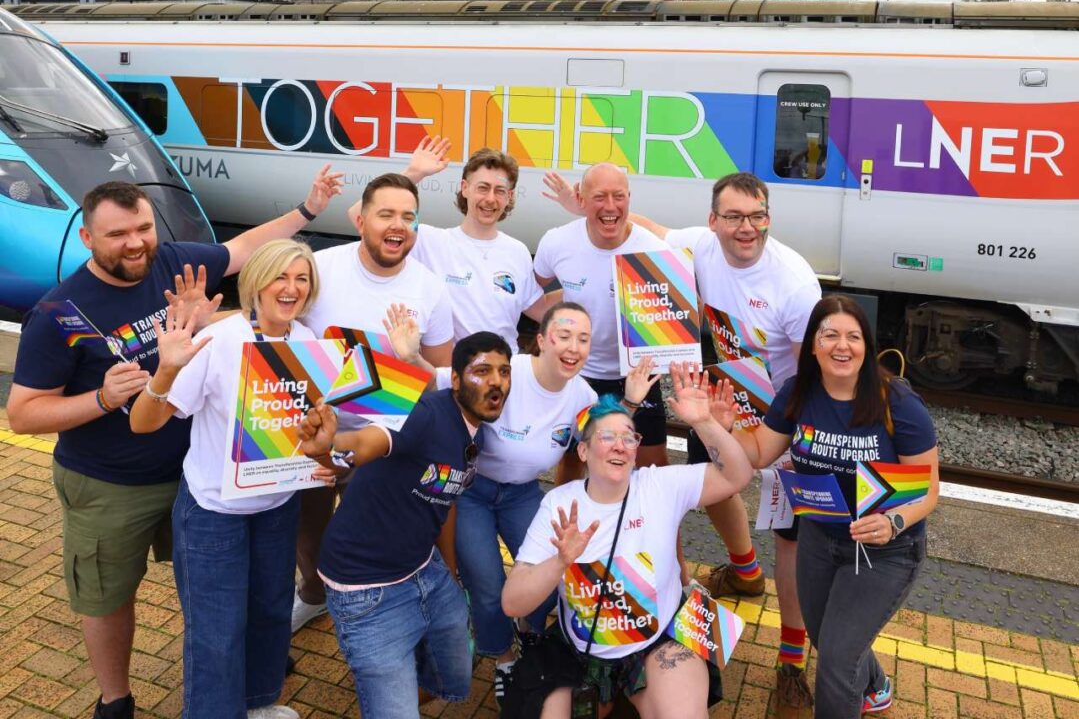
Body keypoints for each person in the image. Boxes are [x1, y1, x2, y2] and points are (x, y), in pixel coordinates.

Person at [5, 169, 342, 719]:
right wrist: (104, 398)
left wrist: (307, 209)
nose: (135, 242)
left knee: (240, 601)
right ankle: (116, 700)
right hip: (114, 482)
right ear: (88, 238)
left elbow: (243, 249)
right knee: (111, 595)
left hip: (194, 468)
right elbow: (21, 416)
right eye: (117, 235)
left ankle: (250, 689)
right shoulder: (57, 314)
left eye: (142, 227)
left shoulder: (170, 263)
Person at [630, 172, 822, 706]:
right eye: (734, 217)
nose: (747, 228)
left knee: (791, 535)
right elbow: (652, 230)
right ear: (713, 221)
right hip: (723, 403)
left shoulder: (795, 284)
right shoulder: (697, 246)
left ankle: (791, 658)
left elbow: (817, 373)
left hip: (788, 412)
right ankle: (744, 571)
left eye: (757, 216)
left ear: (768, 218)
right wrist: (602, 211)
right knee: (714, 487)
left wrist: (786, 437)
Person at [713, 295, 938, 718]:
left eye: (853, 336)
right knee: (825, 637)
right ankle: (874, 685)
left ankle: (856, 690)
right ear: (812, 345)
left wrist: (892, 522)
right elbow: (759, 451)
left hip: (885, 550)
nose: (841, 345)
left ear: (866, 347)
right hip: (819, 536)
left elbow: (929, 490)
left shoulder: (899, 403)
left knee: (834, 661)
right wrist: (719, 426)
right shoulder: (799, 393)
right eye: (829, 334)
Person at [128, 239, 320, 718]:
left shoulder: (312, 344)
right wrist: (165, 371)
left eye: (301, 278)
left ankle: (256, 704)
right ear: (256, 280)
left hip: (277, 508)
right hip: (214, 511)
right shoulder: (220, 339)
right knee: (217, 631)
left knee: (271, 614)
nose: (291, 288)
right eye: (281, 276)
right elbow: (144, 423)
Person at [431, 302, 658, 698]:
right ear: (540, 340)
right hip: (472, 491)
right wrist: (403, 356)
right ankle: (503, 659)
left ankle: (530, 634)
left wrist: (632, 401)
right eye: (564, 335)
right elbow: (440, 380)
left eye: (583, 339)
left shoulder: (581, 393)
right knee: (486, 584)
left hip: (521, 494)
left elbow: (606, 432)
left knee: (549, 575)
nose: (573, 347)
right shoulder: (509, 372)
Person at [502, 365, 752, 719]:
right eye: (606, 437)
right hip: (583, 651)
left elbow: (738, 475)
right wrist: (559, 561)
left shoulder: (660, 486)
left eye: (629, 437)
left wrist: (705, 422)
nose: (620, 445)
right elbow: (512, 603)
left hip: (657, 643)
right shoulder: (559, 504)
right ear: (584, 452)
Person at [296, 332, 512, 719]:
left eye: (503, 371)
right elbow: (366, 443)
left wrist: (448, 572)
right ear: (457, 380)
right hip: (366, 588)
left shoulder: (473, 432)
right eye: (482, 370)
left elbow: (444, 503)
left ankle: (398, 682)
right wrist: (331, 447)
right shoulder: (427, 414)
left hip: (424, 569)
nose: (496, 381)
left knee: (456, 670)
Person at [292, 172, 456, 632]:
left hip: (387, 444)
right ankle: (313, 593)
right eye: (386, 214)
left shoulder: (429, 287)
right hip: (316, 433)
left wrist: (410, 356)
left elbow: (439, 379)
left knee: (378, 536)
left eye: (408, 216)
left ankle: (378, 614)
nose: (397, 225)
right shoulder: (320, 268)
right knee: (310, 530)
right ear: (360, 219)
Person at [533, 163, 669, 471]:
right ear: (580, 200)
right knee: (572, 463)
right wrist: (558, 332)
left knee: (652, 466)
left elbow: (681, 315)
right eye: (600, 197)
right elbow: (529, 294)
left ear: (629, 199)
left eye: (618, 196)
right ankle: (572, 520)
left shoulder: (654, 251)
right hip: (578, 372)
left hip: (636, 373)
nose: (610, 207)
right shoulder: (557, 242)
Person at [402, 137, 547, 351]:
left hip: (503, 378)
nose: (490, 199)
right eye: (483, 188)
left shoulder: (518, 251)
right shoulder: (428, 241)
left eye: (499, 191)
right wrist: (413, 174)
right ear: (465, 188)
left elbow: (541, 309)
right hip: (448, 376)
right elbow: (363, 218)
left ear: (509, 197)